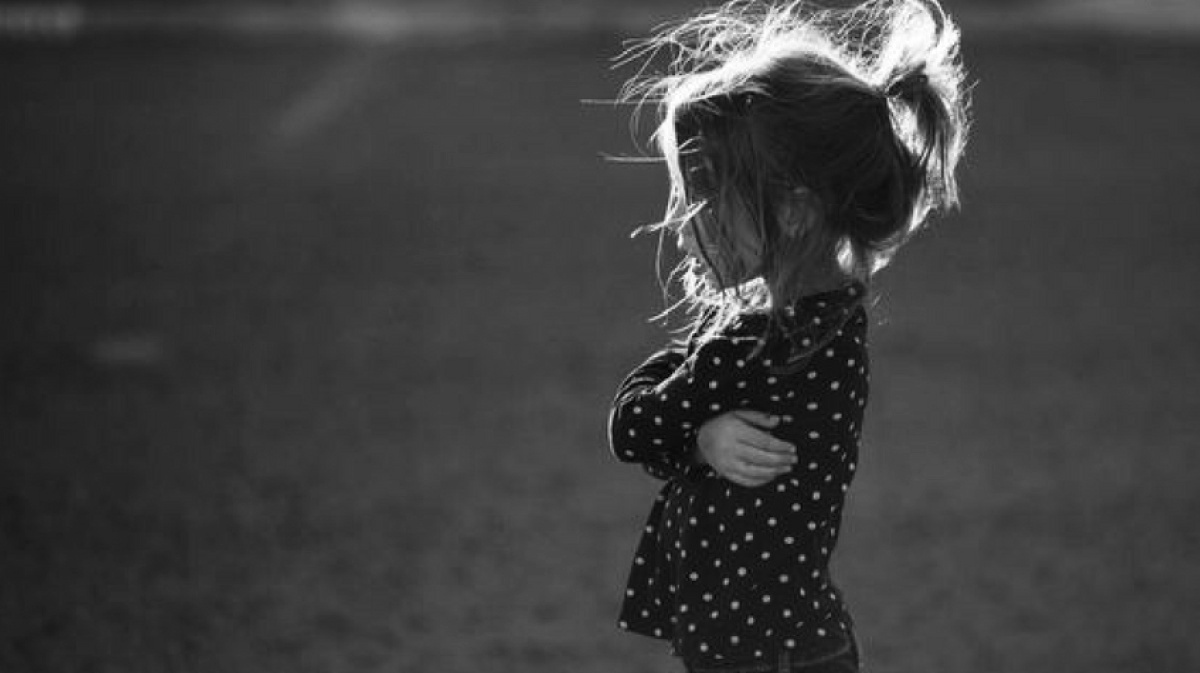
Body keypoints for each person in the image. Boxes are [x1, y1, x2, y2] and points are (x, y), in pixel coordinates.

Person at [605, 1, 970, 671]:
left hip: (757, 656)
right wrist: (699, 435)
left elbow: (634, 427)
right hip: (797, 644)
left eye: (700, 201)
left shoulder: (745, 351)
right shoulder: (831, 322)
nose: (681, 228)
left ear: (795, 210)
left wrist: (695, 434)